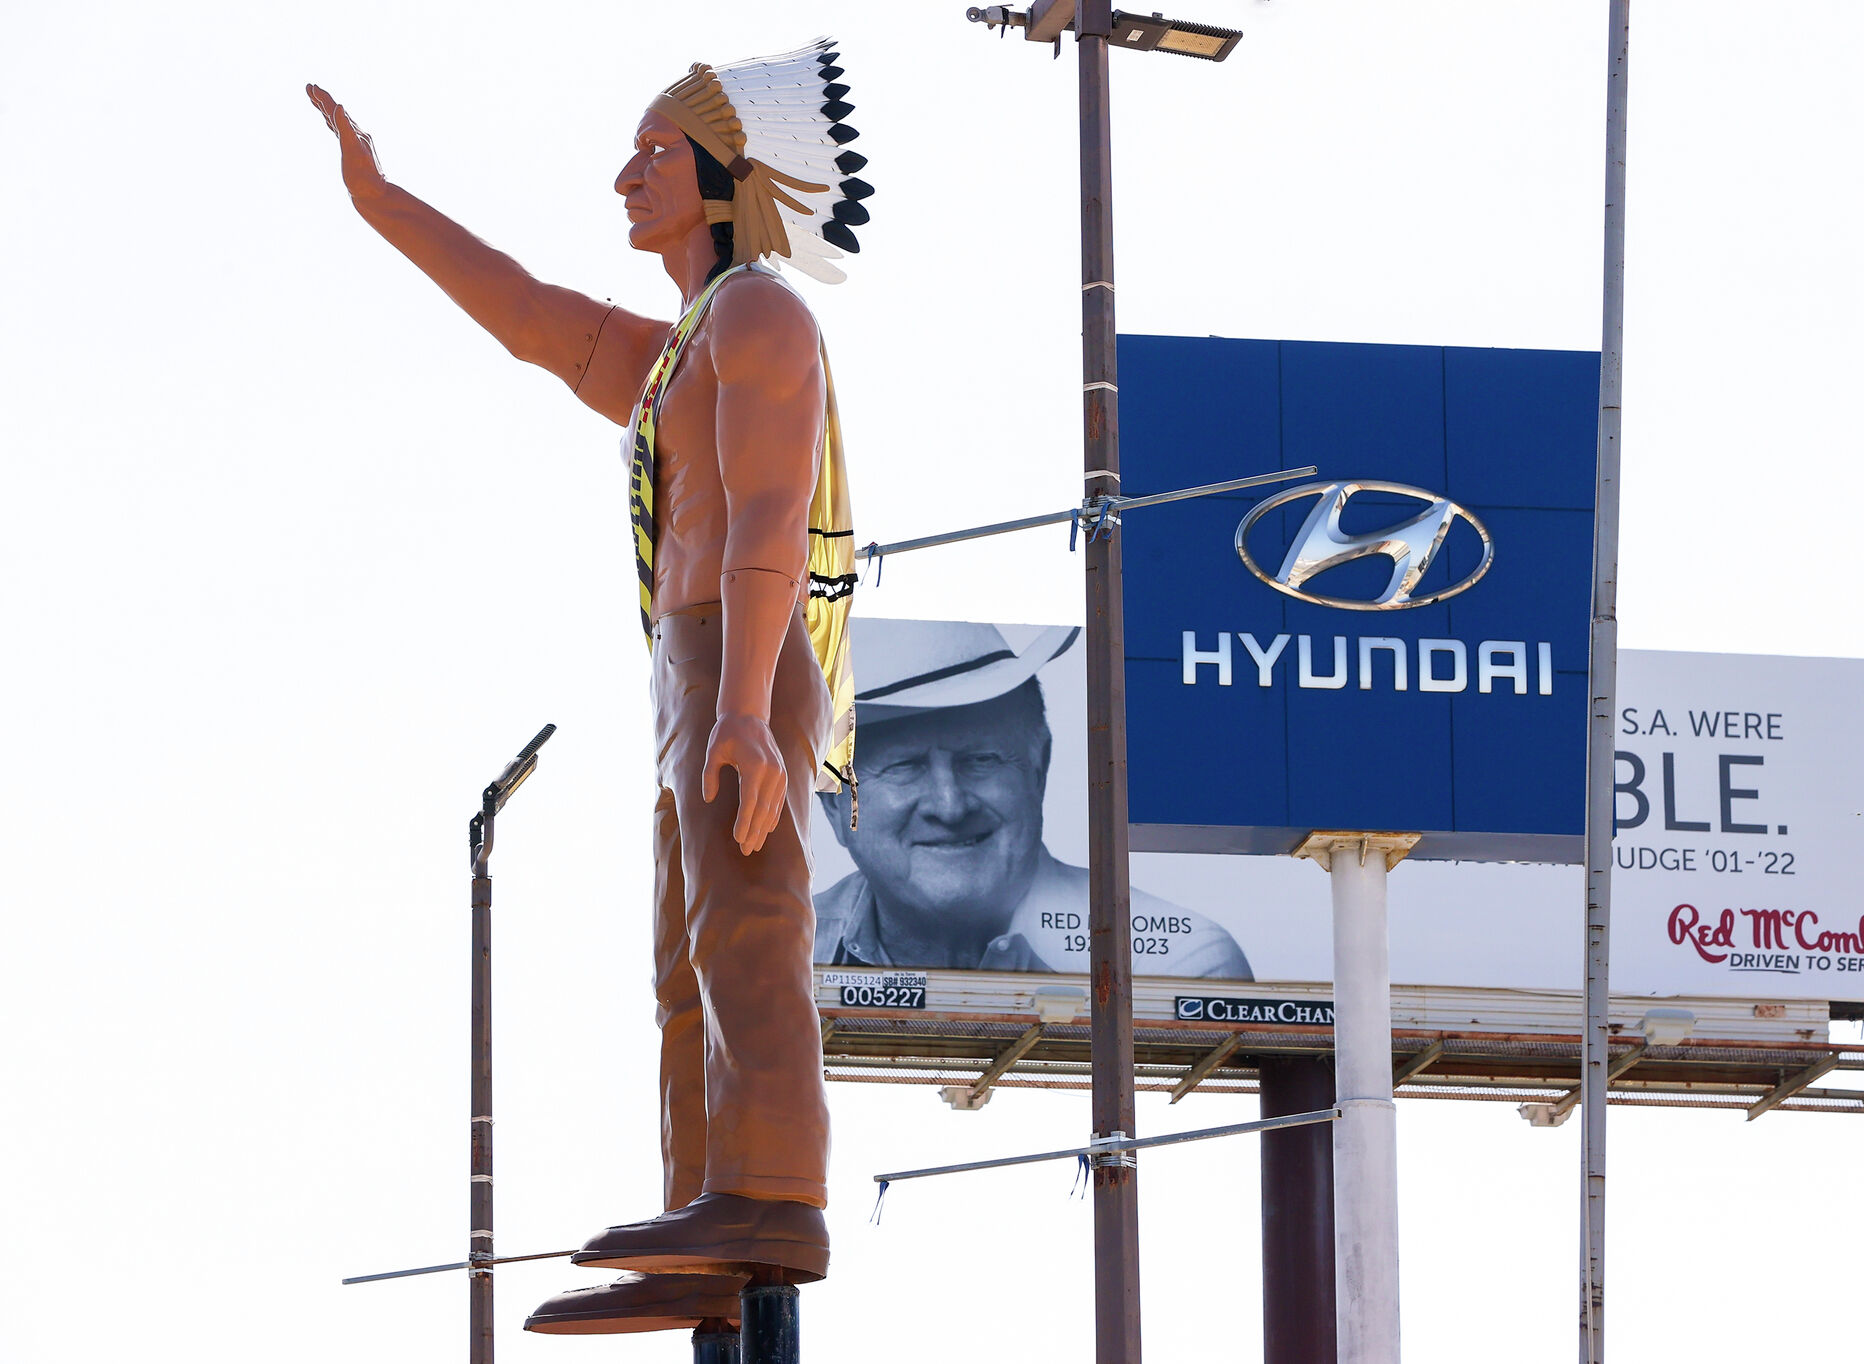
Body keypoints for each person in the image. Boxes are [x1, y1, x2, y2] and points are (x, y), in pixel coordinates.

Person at [310, 37, 871, 1336]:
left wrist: (742, 708)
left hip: (742, 657)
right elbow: (525, 313)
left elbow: (771, 510)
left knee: (747, 926)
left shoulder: (758, 313)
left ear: (728, 175)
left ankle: (772, 1194)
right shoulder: (676, 351)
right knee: (686, 959)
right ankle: (705, 1215)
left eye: (657, 153)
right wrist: (382, 199)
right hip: (688, 666)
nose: (626, 175)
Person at [816, 621, 1253, 979]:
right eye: (905, 767)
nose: (949, 807)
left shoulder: (1177, 965)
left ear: (1038, 769)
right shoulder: (767, 954)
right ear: (834, 804)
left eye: (980, 760)